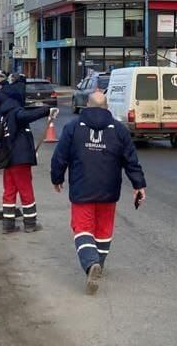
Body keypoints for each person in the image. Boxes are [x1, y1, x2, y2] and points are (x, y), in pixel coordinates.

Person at [50, 90, 146, 295]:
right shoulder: (119, 130)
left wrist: (56, 178)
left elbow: (60, 157)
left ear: (87, 104)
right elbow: (131, 161)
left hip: (82, 188)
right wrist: (139, 185)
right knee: (103, 230)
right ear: (106, 106)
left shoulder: (73, 128)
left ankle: (91, 263)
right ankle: (98, 264)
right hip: (109, 190)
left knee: (82, 228)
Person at [0, 76, 54, 234]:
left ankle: (8, 225)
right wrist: (47, 110)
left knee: (10, 191)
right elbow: (27, 116)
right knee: (26, 190)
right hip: (20, 161)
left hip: (8, 160)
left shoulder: (4, 116)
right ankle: (30, 223)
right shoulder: (15, 113)